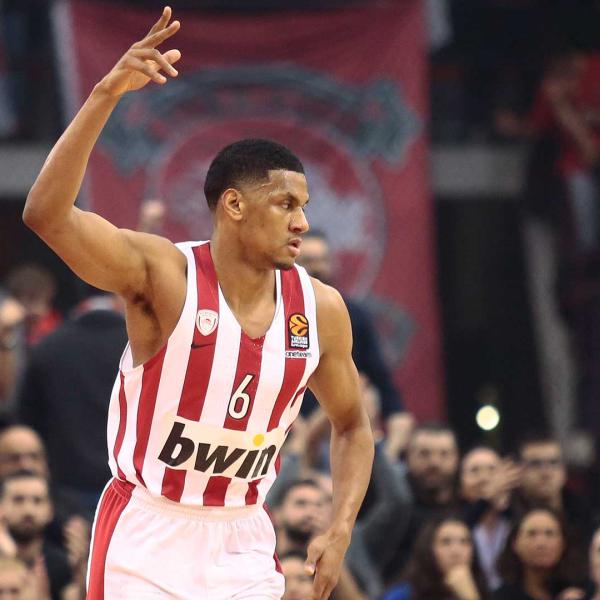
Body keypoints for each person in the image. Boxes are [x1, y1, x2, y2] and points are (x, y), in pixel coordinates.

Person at [22, 7, 374, 599]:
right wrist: (106, 94)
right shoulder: (166, 275)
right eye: (285, 205)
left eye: (304, 207)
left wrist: (340, 528)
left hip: (243, 534)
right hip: (147, 531)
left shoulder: (320, 309)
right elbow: (46, 215)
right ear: (234, 205)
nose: (302, 223)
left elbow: (353, 424)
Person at [297, 229, 414, 461]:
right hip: (288, 437)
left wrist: (387, 459)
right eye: (309, 261)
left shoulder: (355, 317)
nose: (318, 268)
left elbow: (389, 399)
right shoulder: (274, 314)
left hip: (343, 435)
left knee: (365, 397)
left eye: (323, 260)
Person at [15, 293, 127, 518]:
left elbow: (27, 420)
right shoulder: (143, 349)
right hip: (128, 489)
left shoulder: (48, 347)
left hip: (65, 488)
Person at [383, 423, 460, 582]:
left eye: (444, 454)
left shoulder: (465, 506)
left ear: (456, 459)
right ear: (408, 457)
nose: (434, 462)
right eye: (424, 454)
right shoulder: (390, 508)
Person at [0, 470, 74, 600]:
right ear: (1, 507)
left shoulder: (62, 566)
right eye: (18, 500)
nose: (28, 510)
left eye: (37, 501)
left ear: (50, 510)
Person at [381, 514, 490, 600]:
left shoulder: (480, 588)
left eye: (464, 542)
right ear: (428, 549)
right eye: (446, 542)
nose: (456, 551)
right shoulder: (405, 593)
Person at [459, 447, 521, 591]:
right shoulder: (453, 519)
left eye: (492, 470)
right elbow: (464, 524)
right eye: (474, 471)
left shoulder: (517, 517)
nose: (484, 479)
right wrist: (486, 499)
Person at [494, 508, 585, 600]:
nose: (541, 543)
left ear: (563, 543)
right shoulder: (501, 597)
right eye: (531, 534)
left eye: (549, 534)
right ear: (515, 543)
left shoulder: (581, 591)